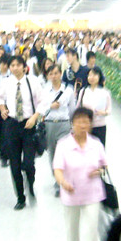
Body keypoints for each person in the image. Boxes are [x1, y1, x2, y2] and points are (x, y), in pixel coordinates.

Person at [53, 107, 107, 241]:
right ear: (72, 124)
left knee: (92, 229)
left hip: (93, 193)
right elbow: (58, 169)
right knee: (72, 224)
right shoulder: (64, 145)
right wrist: (63, 182)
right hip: (71, 194)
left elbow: (104, 166)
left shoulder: (96, 144)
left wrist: (98, 171)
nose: (83, 125)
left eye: (86, 122)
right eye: (79, 121)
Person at [0, 55, 42, 210]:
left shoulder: (33, 82)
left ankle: (30, 183)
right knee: (14, 164)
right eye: (12, 65)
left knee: (29, 163)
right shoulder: (6, 82)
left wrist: (35, 117)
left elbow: (43, 101)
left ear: (24, 66)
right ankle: (20, 197)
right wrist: (2, 109)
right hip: (12, 125)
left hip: (28, 125)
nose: (14, 68)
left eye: (17, 65)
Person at [37, 64, 76, 196]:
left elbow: (72, 108)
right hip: (49, 124)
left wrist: (73, 125)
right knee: (53, 154)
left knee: (64, 153)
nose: (53, 76)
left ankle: (63, 181)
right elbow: (41, 108)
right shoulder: (44, 91)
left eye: (56, 73)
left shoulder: (68, 90)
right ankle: (57, 180)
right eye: (51, 74)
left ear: (60, 74)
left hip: (64, 124)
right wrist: (50, 106)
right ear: (48, 76)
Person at [77, 67, 111, 146]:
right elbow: (78, 107)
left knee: (99, 150)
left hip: (100, 126)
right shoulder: (83, 91)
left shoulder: (105, 92)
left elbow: (109, 109)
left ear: (99, 77)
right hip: (85, 126)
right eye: (90, 75)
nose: (91, 77)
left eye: (94, 75)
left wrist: (104, 112)